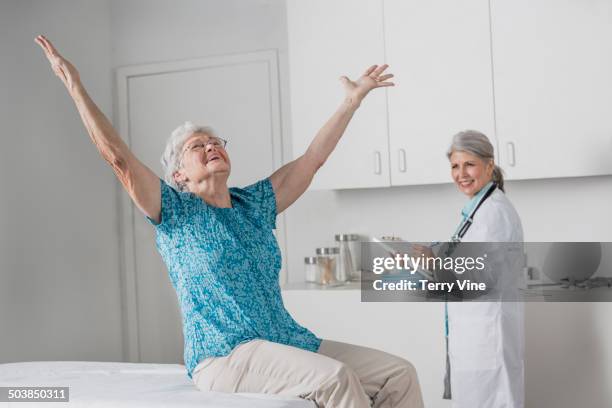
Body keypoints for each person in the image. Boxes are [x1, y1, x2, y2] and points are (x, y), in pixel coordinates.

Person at [35, 35, 424, 408]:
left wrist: (351, 102)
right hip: (225, 356)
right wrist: (74, 85)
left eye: (216, 141)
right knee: (335, 379)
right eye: (196, 146)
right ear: (179, 176)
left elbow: (312, 160)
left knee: (398, 374)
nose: (211, 146)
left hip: (286, 341)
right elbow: (118, 159)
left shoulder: (253, 204)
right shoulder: (175, 213)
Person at [417, 130, 524, 407]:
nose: (461, 173)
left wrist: (435, 263)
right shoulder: (480, 209)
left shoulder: (493, 212)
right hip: (475, 334)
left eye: (469, 164)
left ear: (489, 165)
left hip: (486, 335)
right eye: (455, 166)